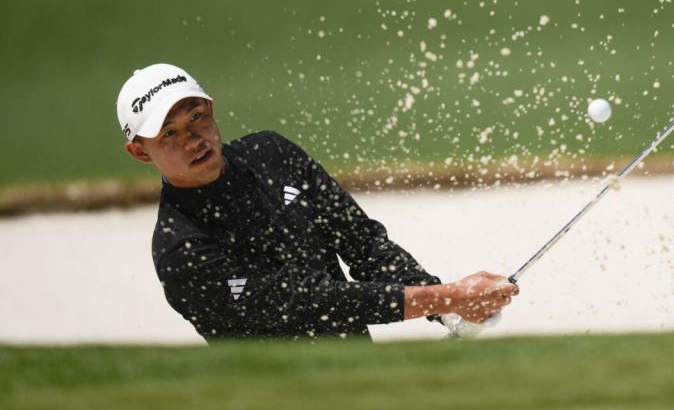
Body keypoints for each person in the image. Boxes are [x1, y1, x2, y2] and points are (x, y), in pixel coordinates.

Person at [116, 63, 518, 340]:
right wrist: (448, 296)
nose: (193, 140)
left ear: (211, 108)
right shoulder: (180, 249)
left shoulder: (271, 154)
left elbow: (363, 243)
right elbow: (309, 301)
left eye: (196, 117)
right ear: (140, 152)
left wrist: (445, 308)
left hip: (360, 375)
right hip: (274, 409)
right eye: (168, 134)